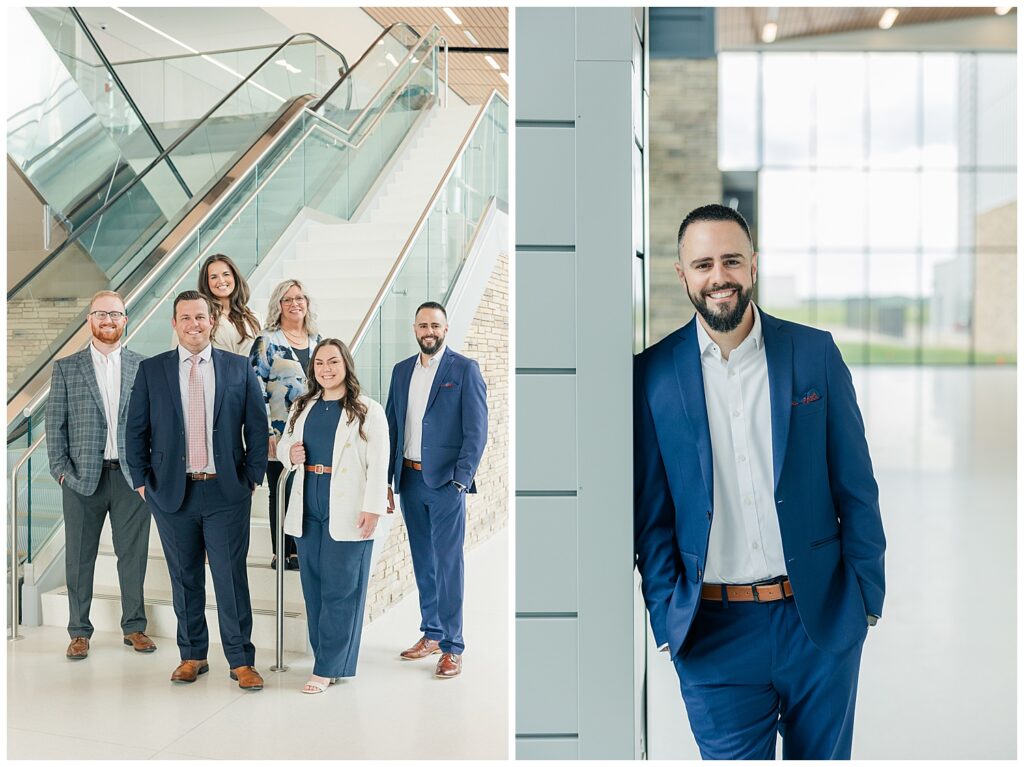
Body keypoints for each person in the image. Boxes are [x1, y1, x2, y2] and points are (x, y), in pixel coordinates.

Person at [633, 204, 886, 759]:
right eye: (703, 264)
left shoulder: (814, 354)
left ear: (753, 265)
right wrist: (668, 618)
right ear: (682, 274)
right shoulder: (652, 375)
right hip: (712, 634)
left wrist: (865, 597)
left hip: (818, 620)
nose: (718, 277)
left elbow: (856, 487)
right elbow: (651, 518)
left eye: (731, 260)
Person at [125, 290, 268, 690]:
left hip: (226, 491)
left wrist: (252, 477)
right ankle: (192, 655)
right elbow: (135, 430)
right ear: (174, 324)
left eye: (200, 317)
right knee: (184, 577)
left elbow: (257, 428)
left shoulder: (238, 367)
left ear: (212, 321)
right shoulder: (152, 370)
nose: (194, 324)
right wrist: (142, 482)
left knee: (230, 578)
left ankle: (241, 660)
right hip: (172, 493)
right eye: (185, 318)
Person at [45, 290, 155, 660]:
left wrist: (149, 472)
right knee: (79, 558)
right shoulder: (66, 368)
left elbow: (156, 424)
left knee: (133, 555)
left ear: (125, 319)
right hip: (80, 480)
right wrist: (61, 472)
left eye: (115, 314)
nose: (108, 320)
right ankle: (79, 631)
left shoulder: (144, 367)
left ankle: (134, 627)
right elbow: (55, 426)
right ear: (89, 320)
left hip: (131, 479)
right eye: (101, 314)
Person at [276, 339, 390, 694]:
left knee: (342, 590)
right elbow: (284, 445)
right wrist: (289, 453)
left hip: (350, 507)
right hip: (308, 504)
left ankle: (325, 668)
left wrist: (372, 507)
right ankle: (327, 659)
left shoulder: (368, 410)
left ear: (346, 365)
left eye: (333, 362)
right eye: (320, 363)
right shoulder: (302, 406)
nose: (326, 369)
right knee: (314, 590)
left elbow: (379, 463)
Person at [385, 302, 487, 678]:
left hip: (445, 483)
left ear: (445, 329)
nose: (429, 331)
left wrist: (461, 480)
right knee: (423, 561)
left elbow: (476, 431)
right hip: (409, 480)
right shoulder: (401, 371)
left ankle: (452, 646)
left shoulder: (464, 369)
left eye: (435, 325)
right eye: (423, 325)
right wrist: (387, 480)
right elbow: (391, 426)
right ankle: (431, 633)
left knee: (448, 563)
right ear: (414, 329)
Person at [250, 279, 323, 571]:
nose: (295, 304)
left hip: (312, 430)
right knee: (280, 489)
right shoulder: (267, 341)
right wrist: (266, 430)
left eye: (299, 298)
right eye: (288, 299)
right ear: (278, 305)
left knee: (305, 489)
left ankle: (302, 550)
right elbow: (255, 388)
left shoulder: (318, 341)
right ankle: (281, 551)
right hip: (278, 432)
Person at [197, 253, 262, 357]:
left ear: (234, 277)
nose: (221, 280)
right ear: (206, 283)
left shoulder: (254, 317)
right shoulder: (200, 318)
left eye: (226, 274)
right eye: (213, 277)